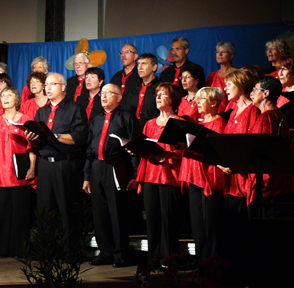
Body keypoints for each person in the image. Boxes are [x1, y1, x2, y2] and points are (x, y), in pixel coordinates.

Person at [26, 73, 88, 245]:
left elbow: (80, 137)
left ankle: (70, 250)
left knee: (67, 209)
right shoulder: (42, 111)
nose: (48, 88)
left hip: (66, 163)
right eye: (46, 85)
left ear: (63, 87)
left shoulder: (74, 108)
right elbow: (37, 145)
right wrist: (32, 139)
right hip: (45, 164)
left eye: (52, 84)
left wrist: (54, 136)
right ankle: (48, 251)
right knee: (45, 208)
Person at [83, 83, 141, 268]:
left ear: (119, 97)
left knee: (117, 212)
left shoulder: (127, 118)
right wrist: (86, 176)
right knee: (99, 213)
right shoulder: (96, 119)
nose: (104, 96)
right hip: (97, 167)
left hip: (117, 167)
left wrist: (135, 174)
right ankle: (105, 252)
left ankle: (120, 254)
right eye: (102, 93)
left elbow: (135, 147)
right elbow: (89, 150)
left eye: (109, 93)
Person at [132, 83, 183, 267]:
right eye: (157, 94)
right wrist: (137, 149)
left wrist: (169, 154)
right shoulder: (149, 123)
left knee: (168, 219)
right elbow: (145, 146)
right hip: (150, 175)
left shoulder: (179, 122)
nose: (158, 97)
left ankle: (170, 258)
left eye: (163, 94)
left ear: (173, 100)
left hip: (169, 175)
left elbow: (184, 152)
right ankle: (153, 258)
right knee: (152, 219)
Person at [0, 87, 37, 258]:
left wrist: (32, 167)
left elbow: (33, 147)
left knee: (21, 214)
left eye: (9, 95)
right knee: (2, 214)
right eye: (3, 95)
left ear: (17, 100)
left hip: (20, 175)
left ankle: (20, 250)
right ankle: (2, 249)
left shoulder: (26, 120)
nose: (5, 98)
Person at [217, 69, 258, 280]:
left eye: (229, 85)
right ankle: (231, 269)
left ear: (241, 87)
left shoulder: (253, 110)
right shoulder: (233, 112)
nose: (225, 89)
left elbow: (252, 145)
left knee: (244, 227)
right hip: (232, 179)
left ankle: (245, 272)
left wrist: (237, 163)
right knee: (232, 226)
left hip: (246, 178)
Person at [179, 87, 227, 260]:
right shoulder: (199, 125)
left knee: (210, 226)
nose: (196, 103)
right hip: (194, 177)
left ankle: (213, 265)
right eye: (196, 99)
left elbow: (218, 152)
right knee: (198, 226)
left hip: (209, 178)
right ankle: (201, 263)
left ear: (214, 103)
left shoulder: (219, 123)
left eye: (201, 100)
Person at [248, 76, 294, 211]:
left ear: (266, 93)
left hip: (268, 184)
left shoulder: (267, 117)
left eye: (255, 89)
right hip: (276, 181)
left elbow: (261, 149)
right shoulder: (276, 114)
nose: (251, 93)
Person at [126, 53, 161, 130]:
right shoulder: (134, 88)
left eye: (144, 64)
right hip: (134, 132)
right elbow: (127, 112)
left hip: (154, 132)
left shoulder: (161, 89)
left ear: (154, 67)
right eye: (138, 64)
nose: (140, 67)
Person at [206, 42, 238, 113]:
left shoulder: (238, 74)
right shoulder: (212, 76)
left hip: (232, 113)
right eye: (218, 51)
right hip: (214, 114)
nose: (219, 54)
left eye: (223, 52)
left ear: (231, 56)